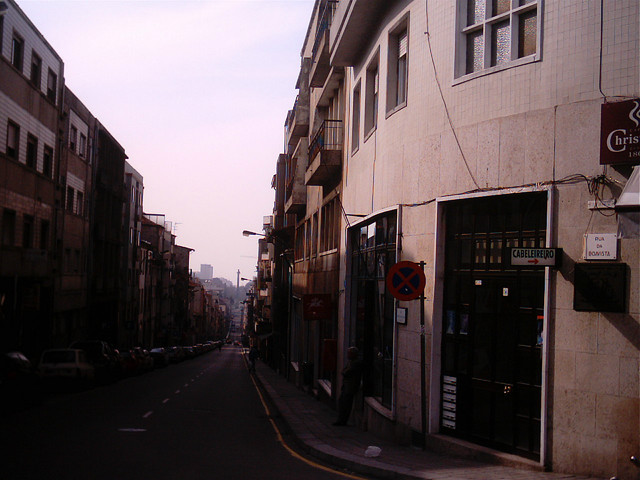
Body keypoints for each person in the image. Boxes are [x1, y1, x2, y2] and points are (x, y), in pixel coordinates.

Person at [333, 346, 364, 426]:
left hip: (350, 387)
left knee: (346, 404)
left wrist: (344, 372)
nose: (347, 355)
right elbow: (345, 370)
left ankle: (343, 420)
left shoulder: (356, 363)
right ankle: (341, 419)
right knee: (342, 402)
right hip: (346, 386)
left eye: (349, 353)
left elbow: (347, 372)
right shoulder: (351, 362)